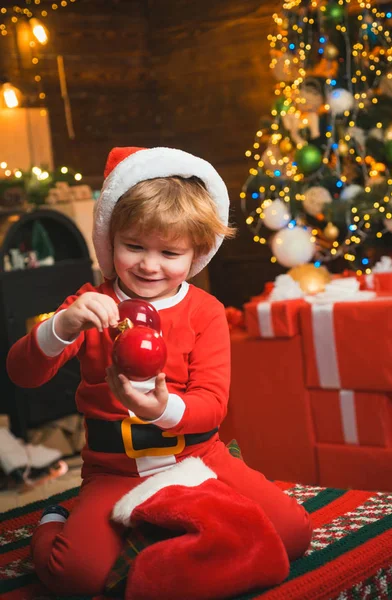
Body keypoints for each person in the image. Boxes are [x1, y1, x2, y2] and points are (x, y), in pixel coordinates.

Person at [7, 146, 312, 596]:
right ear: (109, 241)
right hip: (117, 470)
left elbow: (211, 406)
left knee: (293, 533)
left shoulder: (205, 312)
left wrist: (165, 408)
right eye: (134, 247)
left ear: (197, 254)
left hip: (197, 458)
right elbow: (21, 374)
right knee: (76, 577)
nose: (150, 265)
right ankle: (56, 520)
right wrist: (61, 325)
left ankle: (166, 531)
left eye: (170, 252)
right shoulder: (92, 304)